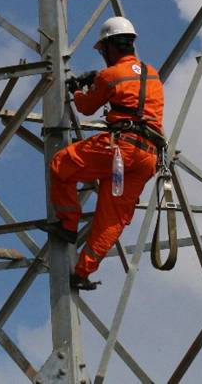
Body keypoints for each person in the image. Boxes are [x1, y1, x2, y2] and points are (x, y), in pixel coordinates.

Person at [49, 17, 165, 290]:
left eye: (103, 50)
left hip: (121, 148)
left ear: (110, 47)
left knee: (61, 164)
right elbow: (130, 91)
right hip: (148, 156)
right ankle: (82, 273)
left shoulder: (109, 76)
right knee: (112, 219)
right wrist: (97, 79)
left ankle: (67, 225)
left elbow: (87, 107)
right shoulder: (152, 74)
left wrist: (78, 90)